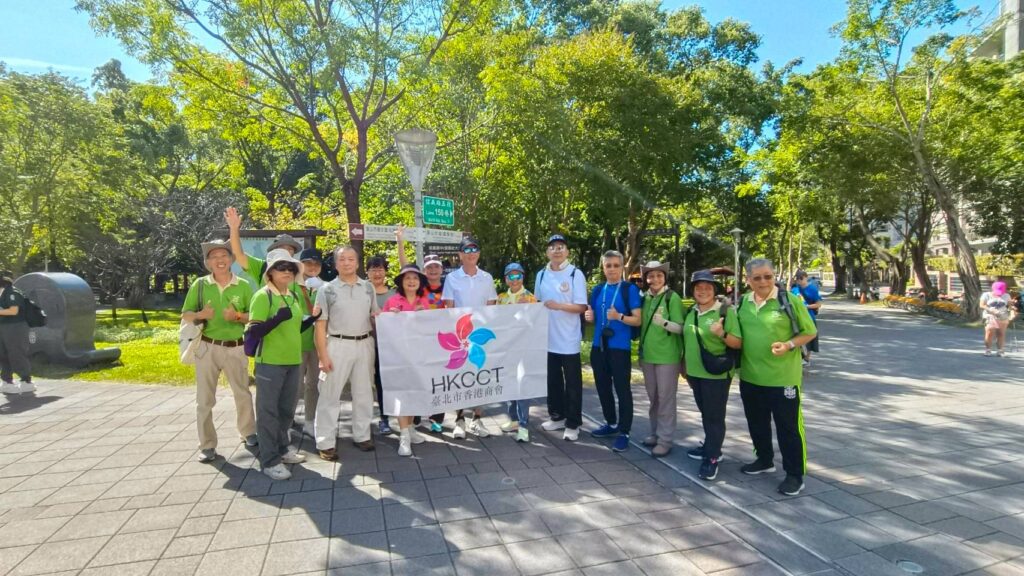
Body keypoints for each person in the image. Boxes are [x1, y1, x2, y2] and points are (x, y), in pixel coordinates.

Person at [715, 258, 817, 496]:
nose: (763, 282)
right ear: (748, 280)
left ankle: (795, 475)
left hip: (783, 378)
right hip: (751, 376)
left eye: (768, 276)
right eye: (757, 277)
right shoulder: (742, 304)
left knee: (788, 428)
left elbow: (810, 332)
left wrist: (789, 345)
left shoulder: (788, 300)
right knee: (756, 423)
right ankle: (764, 459)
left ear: (774, 276)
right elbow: (737, 338)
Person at [180, 241, 258, 462]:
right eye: (214, 257)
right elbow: (186, 315)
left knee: (242, 393)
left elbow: (254, 316)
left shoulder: (243, 285)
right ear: (208, 262)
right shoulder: (200, 285)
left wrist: (237, 316)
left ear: (231, 259)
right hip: (207, 347)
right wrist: (201, 315)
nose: (220, 260)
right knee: (204, 399)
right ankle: (207, 445)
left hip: (236, 347)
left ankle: (248, 432)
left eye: (224, 255)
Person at [246, 249, 312, 480]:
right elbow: (254, 331)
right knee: (268, 412)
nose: (287, 271)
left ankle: (283, 449)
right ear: (270, 272)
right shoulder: (263, 296)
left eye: (291, 268)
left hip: (293, 361)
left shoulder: (292, 296)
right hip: (270, 362)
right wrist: (276, 319)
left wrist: (311, 320)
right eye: (281, 267)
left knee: (286, 410)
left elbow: (294, 327)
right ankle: (269, 460)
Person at [314, 246, 379, 460]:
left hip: (365, 343)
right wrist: (323, 356)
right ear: (335, 264)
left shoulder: (368, 287)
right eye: (342, 259)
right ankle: (325, 442)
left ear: (358, 263)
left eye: (351, 259)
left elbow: (374, 316)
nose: (347, 263)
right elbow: (320, 326)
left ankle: (362, 435)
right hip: (337, 344)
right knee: (329, 394)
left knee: (364, 392)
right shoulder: (327, 290)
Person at [440, 237, 497, 439]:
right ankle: (459, 420)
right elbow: (448, 306)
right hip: (460, 336)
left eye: (475, 250)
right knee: (460, 378)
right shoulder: (452, 278)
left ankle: (477, 419)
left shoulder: (487, 277)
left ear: (478, 254)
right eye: (467, 250)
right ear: (460, 255)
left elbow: (491, 304)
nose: (471, 254)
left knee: (481, 375)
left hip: (481, 334)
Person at [585, 250, 642, 452]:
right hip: (598, 347)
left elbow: (638, 319)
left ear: (622, 267)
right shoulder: (598, 289)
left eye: (616, 265)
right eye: (608, 265)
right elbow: (592, 315)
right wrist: (589, 317)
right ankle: (611, 423)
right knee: (603, 387)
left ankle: (624, 432)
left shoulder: (629, 289)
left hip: (620, 348)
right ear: (603, 268)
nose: (612, 269)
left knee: (622, 389)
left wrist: (619, 317)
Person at [535, 234, 589, 441]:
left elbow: (581, 307)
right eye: (552, 247)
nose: (556, 250)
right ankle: (557, 417)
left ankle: (573, 423)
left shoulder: (575, 273)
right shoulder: (541, 274)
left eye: (561, 247)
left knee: (572, 383)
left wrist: (558, 306)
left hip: (568, 339)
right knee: (553, 381)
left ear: (567, 251)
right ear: (547, 252)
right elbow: (536, 303)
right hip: (547, 338)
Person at [682, 270, 734, 480]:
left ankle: (712, 458)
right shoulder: (692, 312)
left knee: (715, 416)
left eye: (707, 288)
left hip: (716, 374)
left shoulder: (725, 312)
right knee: (706, 413)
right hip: (695, 373)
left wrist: (721, 333)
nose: (703, 291)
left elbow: (738, 342)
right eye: (698, 288)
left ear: (714, 290)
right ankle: (711, 447)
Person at [381, 264, 432, 456]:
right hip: (398, 358)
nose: (411, 281)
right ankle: (403, 436)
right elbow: (383, 327)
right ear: (401, 282)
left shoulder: (424, 301)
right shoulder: (393, 301)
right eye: (407, 278)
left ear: (420, 282)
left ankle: (410, 428)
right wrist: (390, 316)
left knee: (414, 393)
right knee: (402, 394)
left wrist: (423, 316)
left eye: (415, 278)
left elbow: (430, 328)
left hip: (419, 357)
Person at [637, 261, 684, 458]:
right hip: (648, 355)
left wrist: (664, 323)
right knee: (654, 397)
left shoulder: (672, 297)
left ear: (665, 277)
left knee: (666, 398)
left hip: (667, 357)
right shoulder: (645, 298)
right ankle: (655, 433)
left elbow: (680, 328)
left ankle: (665, 440)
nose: (655, 279)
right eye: (651, 275)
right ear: (646, 278)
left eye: (659, 275)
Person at [497, 262, 538, 443]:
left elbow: (535, 324)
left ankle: (523, 425)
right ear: (506, 279)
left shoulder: (530, 298)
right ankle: (513, 419)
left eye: (518, 276)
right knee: (509, 384)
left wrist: (526, 310)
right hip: (506, 348)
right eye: (511, 276)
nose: (514, 279)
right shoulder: (501, 298)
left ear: (523, 277)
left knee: (522, 386)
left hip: (524, 349)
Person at [367, 255, 397, 435]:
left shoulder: (394, 294)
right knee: (376, 382)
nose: (377, 273)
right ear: (367, 272)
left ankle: (404, 417)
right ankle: (383, 418)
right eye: (373, 269)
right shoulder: (362, 292)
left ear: (385, 272)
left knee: (392, 381)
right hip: (369, 344)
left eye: (380, 269)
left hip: (392, 347)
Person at [297, 248, 324, 437]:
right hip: (295, 343)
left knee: (313, 384)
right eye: (308, 263)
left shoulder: (326, 287)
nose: (312, 267)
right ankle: (287, 422)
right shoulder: (291, 285)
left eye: (316, 264)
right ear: (300, 265)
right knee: (294, 385)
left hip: (317, 344)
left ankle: (309, 420)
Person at [0, 272, 33, 395]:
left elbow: (14, 311)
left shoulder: (12, 293)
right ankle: (6, 381)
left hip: (16, 327)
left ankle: (26, 381)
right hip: (4, 327)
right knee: (3, 354)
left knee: (17, 353)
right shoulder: (2, 293)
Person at [791, 270, 822, 366]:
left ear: (806, 277)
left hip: (809, 316)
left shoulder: (812, 289)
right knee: (797, 337)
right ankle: (798, 357)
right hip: (796, 317)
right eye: (798, 279)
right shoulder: (795, 290)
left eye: (801, 278)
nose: (799, 281)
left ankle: (807, 358)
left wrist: (806, 307)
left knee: (809, 337)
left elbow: (818, 304)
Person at [981, 281, 1015, 357]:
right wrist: (990, 310)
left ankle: (1000, 351)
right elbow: (982, 305)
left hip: (1003, 316)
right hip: (990, 316)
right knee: (989, 333)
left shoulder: (1006, 295)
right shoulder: (986, 295)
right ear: (993, 288)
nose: (999, 293)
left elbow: (1010, 306)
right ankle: (988, 350)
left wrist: (1012, 312)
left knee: (1001, 333)